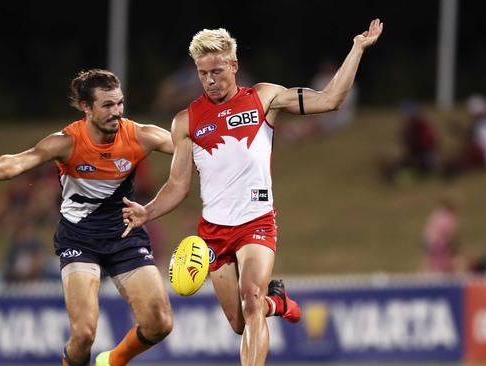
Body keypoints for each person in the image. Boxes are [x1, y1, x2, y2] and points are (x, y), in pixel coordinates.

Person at [122, 19, 383, 366]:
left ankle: (264, 301)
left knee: (250, 298)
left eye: (217, 70)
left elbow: (331, 99)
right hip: (213, 232)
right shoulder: (186, 121)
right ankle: (278, 303)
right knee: (239, 322)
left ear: (234, 65)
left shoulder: (264, 98)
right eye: (203, 73)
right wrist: (147, 211)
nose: (210, 80)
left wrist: (357, 49)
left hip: (256, 222)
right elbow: (178, 185)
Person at [0, 69, 174, 366]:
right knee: (84, 334)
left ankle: (112, 361)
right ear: (86, 108)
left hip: (125, 236)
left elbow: (189, 149)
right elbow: (19, 161)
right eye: (107, 105)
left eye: (120, 103)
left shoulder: (142, 135)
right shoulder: (66, 142)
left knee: (161, 323)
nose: (116, 112)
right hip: (80, 239)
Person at [421, 199, 460, 274]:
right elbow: (447, 232)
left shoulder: (437, 213)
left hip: (431, 240)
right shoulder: (448, 217)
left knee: (431, 260)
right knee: (441, 262)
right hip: (438, 242)